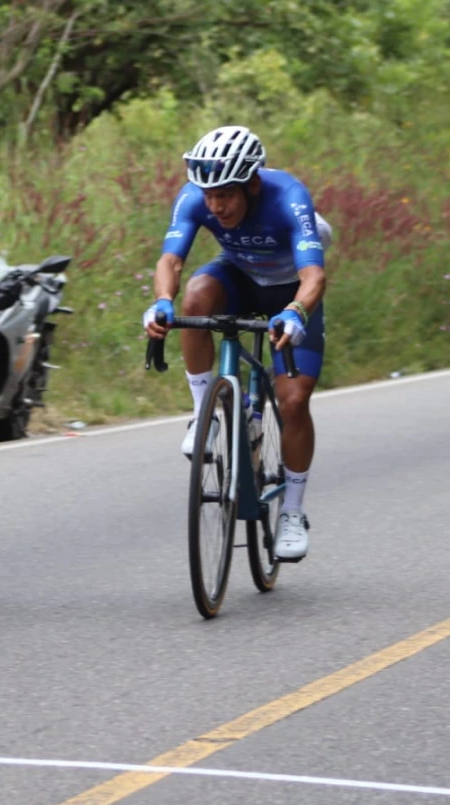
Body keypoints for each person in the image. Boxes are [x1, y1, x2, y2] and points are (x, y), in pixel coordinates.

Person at [142, 125, 332, 560]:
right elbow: (170, 259)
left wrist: (296, 312)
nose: (215, 205)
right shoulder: (196, 197)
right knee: (194, 296)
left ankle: (292, 512)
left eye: (225, 195)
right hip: (240, 278)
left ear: (251, 181)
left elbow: (314, 276)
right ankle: (204, 416)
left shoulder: (288, 197)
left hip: (289, 293)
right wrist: (162, 303)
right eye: (208, 195)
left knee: (294, 401)